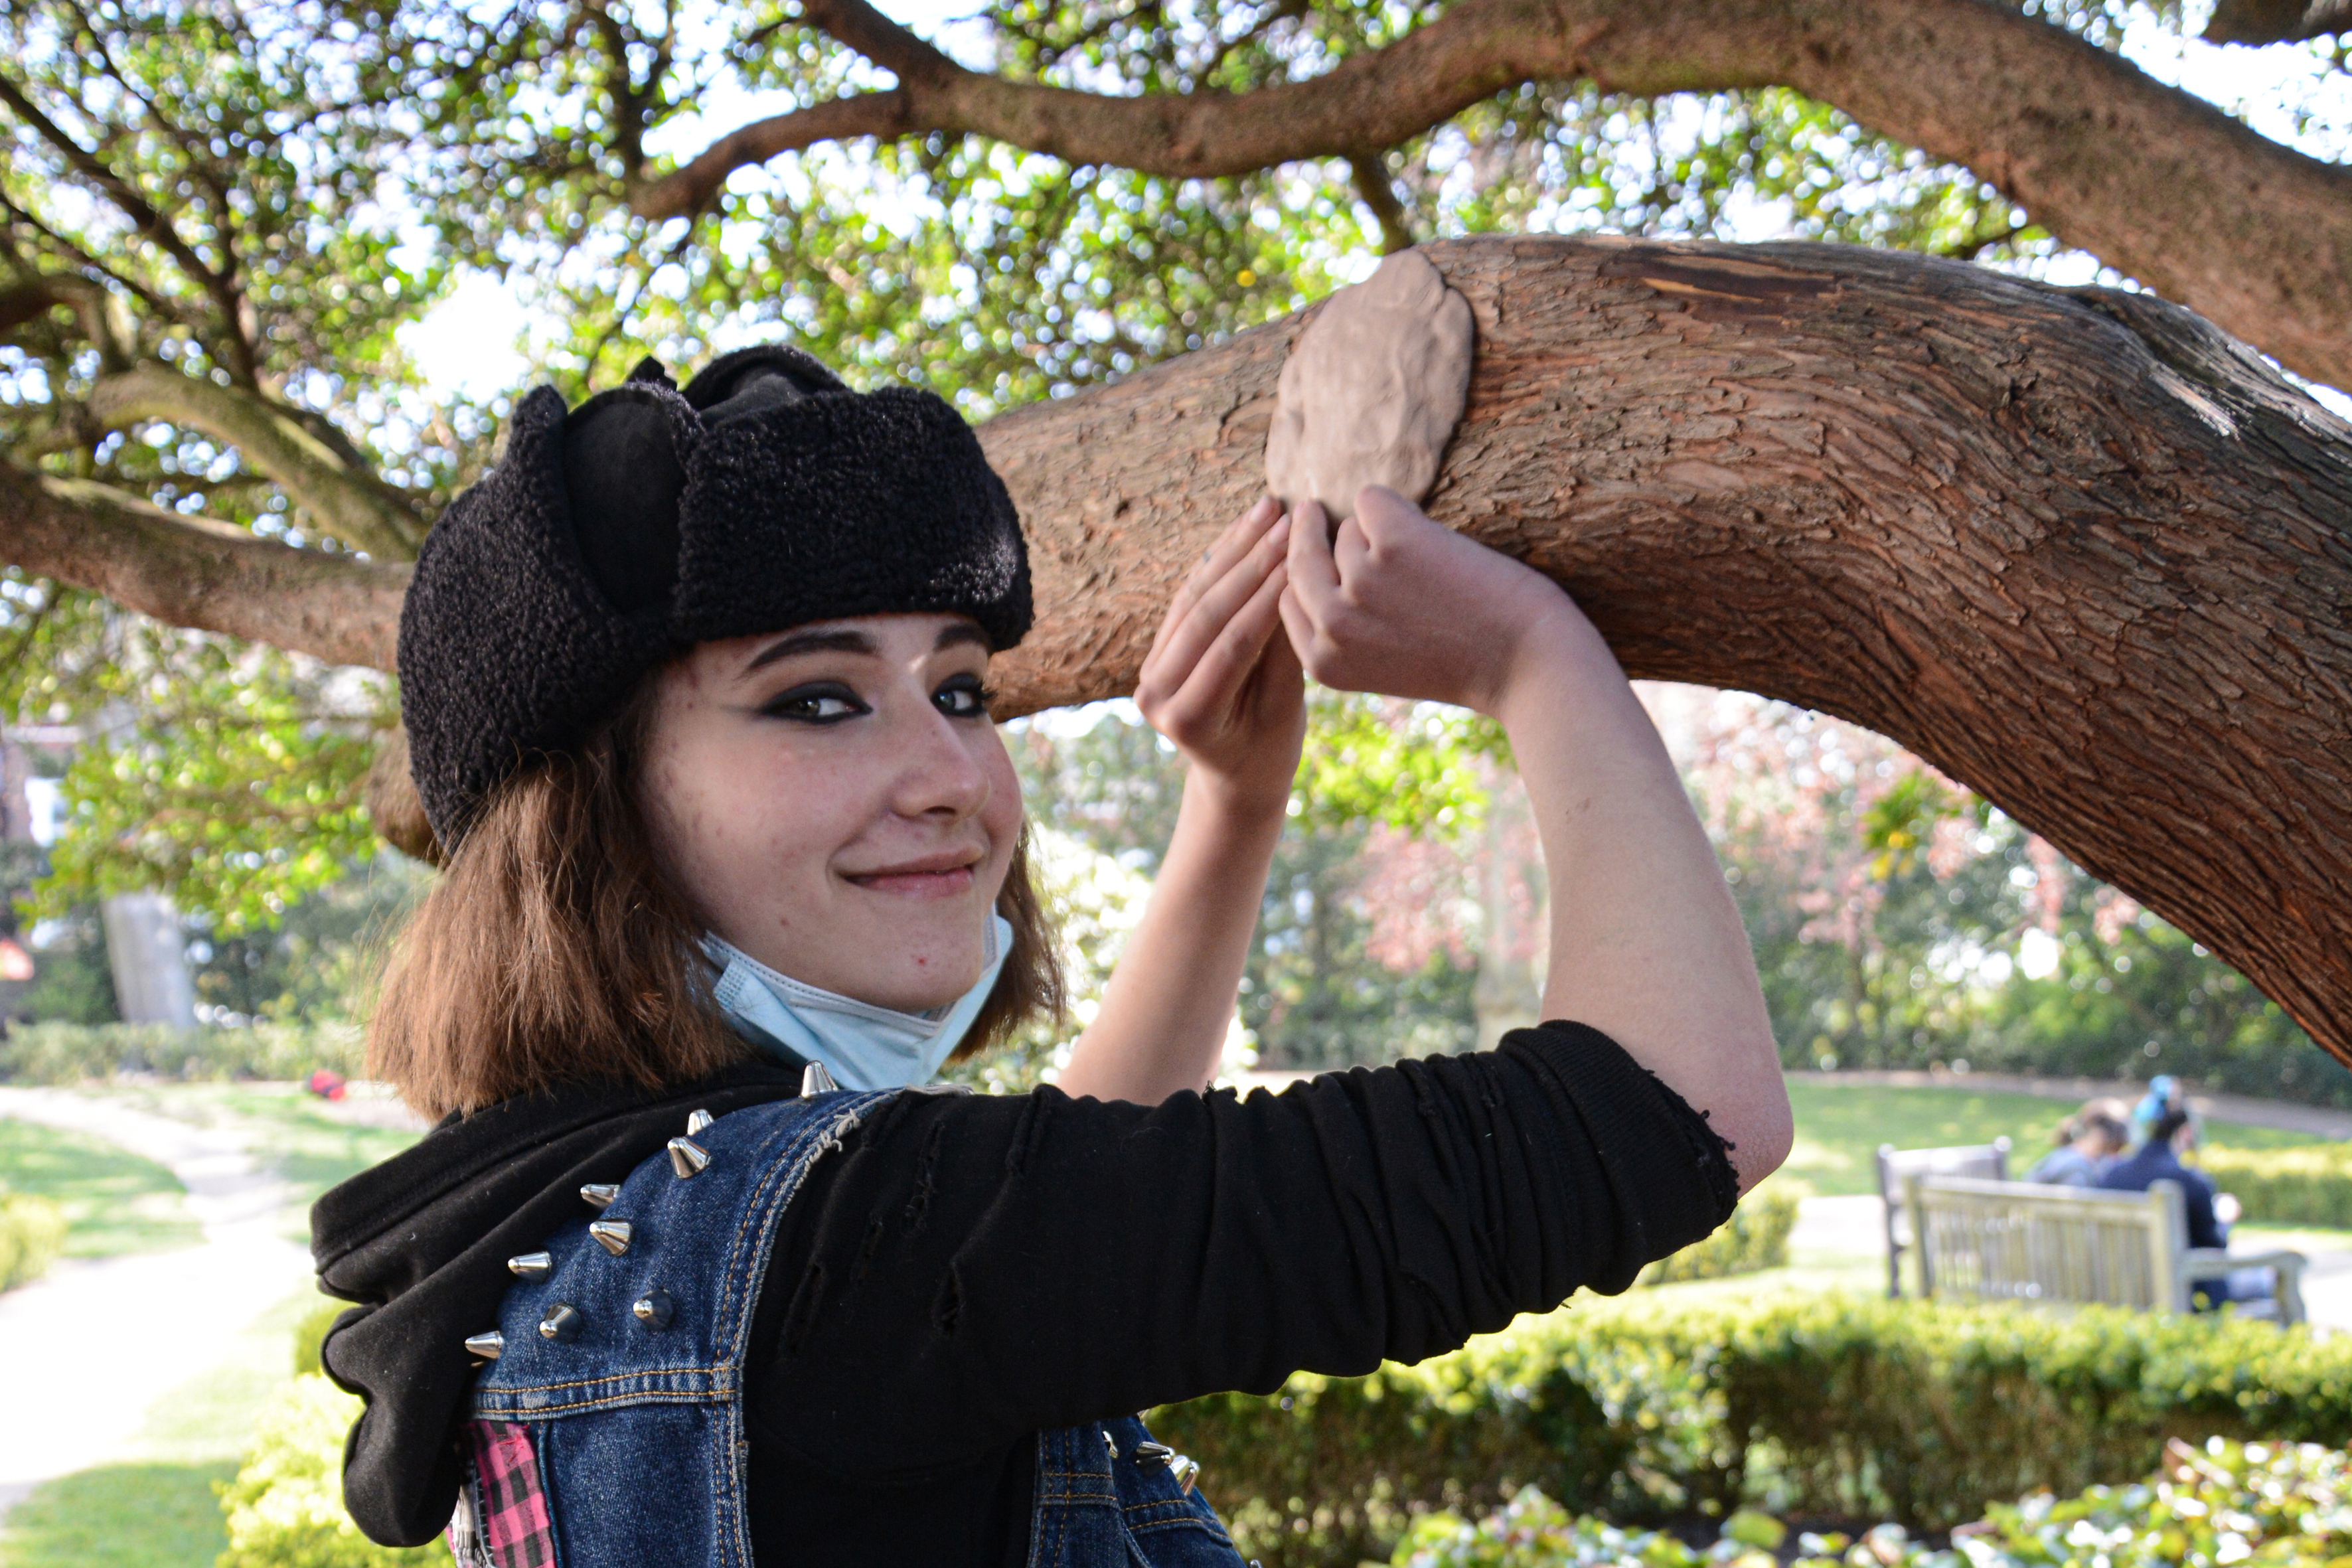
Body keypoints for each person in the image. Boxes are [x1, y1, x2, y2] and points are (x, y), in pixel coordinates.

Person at [311, 346, 1792, 1567]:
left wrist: (1235, 799)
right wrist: (1533, 658)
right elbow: (1677, 1105)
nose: (953, 768)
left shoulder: (581, 1234)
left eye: (959, 686)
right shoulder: (840, 1263)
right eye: (819, 701)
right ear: (585, 818)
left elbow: (1044, 1212)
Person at [2025, 1099, 2128, 1186]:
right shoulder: (2076, 1171)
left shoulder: (2065, 1156)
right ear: (2098, 1137)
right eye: (2115, 1149)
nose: (2116, 1158)